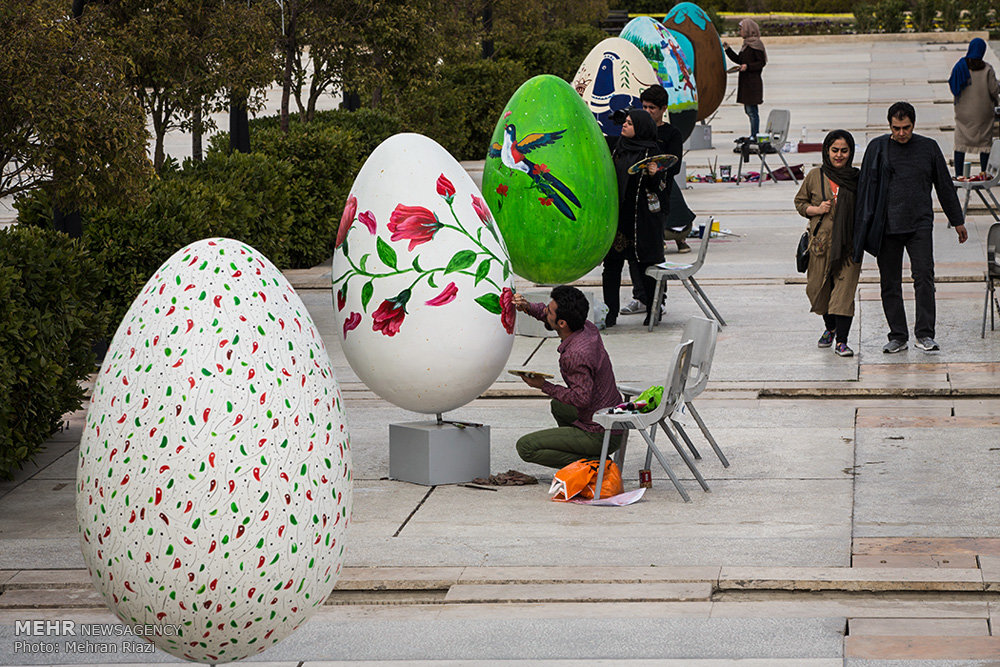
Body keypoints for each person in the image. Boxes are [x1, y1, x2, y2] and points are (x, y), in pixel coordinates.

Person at [854, 102, 968, 354]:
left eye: (906, 128)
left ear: (913, 125)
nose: (901, 133)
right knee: (890, 283)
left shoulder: (928, 148)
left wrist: (957, 220)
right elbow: (864, 189)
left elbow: (944, 186)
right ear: (889, 126)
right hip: (886, 227)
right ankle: (897, 335)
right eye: (896, 128)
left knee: (924, 279)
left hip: (920, 225)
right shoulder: (878, 148)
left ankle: (925, 334)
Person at [513, 287, 624, 469]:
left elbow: (581, 398)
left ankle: (596, 464)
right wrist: (527, 307)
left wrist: (543, 385)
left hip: (601, 432)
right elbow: (547, 316)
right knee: (559, 405)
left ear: (563, 323)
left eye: (549, 311)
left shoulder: (575, 355)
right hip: (611, 419)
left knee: (526, 447)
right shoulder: (586, 327)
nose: (545, 312)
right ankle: (585, 451)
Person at [620, 84, 691, 316]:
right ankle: (640, 296)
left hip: (656, 202)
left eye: (652, 107)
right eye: (644, 107)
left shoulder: (671, 134)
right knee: (632, 253)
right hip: (632, 202)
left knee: (653, 252)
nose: (648, 111)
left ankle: (657, 298)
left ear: (663, 109)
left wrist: (656, 171)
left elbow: (675, 165)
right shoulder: (636, 130)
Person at [794, 130, 862, 357]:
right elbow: (800, 202)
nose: (839, 155)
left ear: (850, 152)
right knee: (818, 290)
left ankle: (842, 341)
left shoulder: (856, 178)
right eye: (835, 151)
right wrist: (816, 209)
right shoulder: (815, 176)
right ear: (827, 151)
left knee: (843, 295)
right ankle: (830, 327)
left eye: (844, 151)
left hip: (848, 247)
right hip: (820, 247)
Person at [602, 109, 667, 328]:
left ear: (640, 127)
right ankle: (610, 313)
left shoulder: (652, 152)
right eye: (625, 122)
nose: (625, 125)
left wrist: (654, 174)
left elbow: (659, 189)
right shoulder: (616, 148)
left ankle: (653, 309)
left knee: (646, 268)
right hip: (619, 220)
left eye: (630, 123)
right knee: (611, 267)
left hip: (642, 222)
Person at [950, 37, 999, 177]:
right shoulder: (987, 69)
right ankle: (984, 173)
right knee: (985, 143)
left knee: (960, 141)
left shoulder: (960, 67)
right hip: (983, 114)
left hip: (963, 113)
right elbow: (994, 90)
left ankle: (959, 174)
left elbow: (954, 86)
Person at [723, 18, 767, 139]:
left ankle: (754, 135)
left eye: (741, 29)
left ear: (748, 29)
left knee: (752, 111)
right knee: (749, 110)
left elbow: (761, 63)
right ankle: (754, 134)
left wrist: (748, 67)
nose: (740, 31)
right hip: (746, 83)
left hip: (752, 84)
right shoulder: (746, 45)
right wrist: (728, 50)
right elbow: (739, 60)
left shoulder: (756, 45)